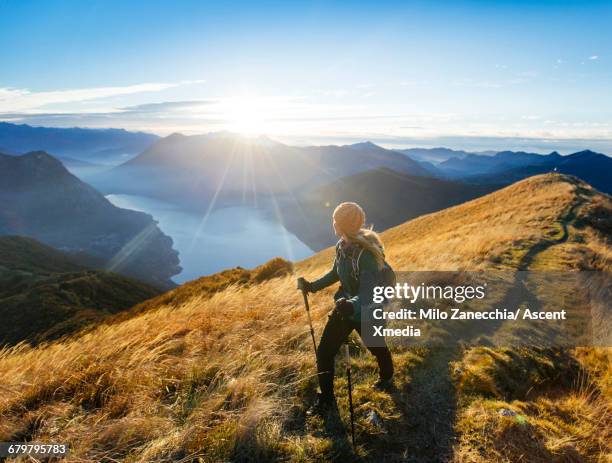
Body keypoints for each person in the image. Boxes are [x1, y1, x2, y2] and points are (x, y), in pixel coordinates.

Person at [297, 201, 394, 413]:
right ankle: (326, 401)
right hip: (345, 308)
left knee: (376, 347)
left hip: (365, 310)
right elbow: (335, 273)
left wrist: (352, 305)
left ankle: (387, 377)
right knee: (324, 352)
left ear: (341, 224)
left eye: (335, 220)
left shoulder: (366, 255)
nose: (333, 223)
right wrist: (311, 286)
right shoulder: (341, 246)